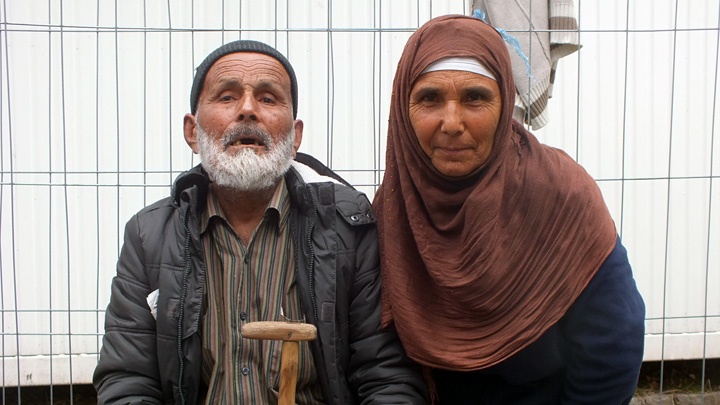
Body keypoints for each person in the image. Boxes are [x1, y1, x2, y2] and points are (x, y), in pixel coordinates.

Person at [93, 39, 428, 405]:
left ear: (295, 136)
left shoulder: (347, 227)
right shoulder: (149, 236)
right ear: (192, 131)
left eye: (268, 99)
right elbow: (128, 379)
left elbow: (385, 374)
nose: (248, 110)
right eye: (226, 97)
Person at [373, 14, 646, 405]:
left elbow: (612, 343)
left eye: (476, 98)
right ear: (403, 108)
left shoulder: (560, 192)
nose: (452, 122)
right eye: (430, 98)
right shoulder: (394, 206)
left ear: (505, 105)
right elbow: (379, 356)